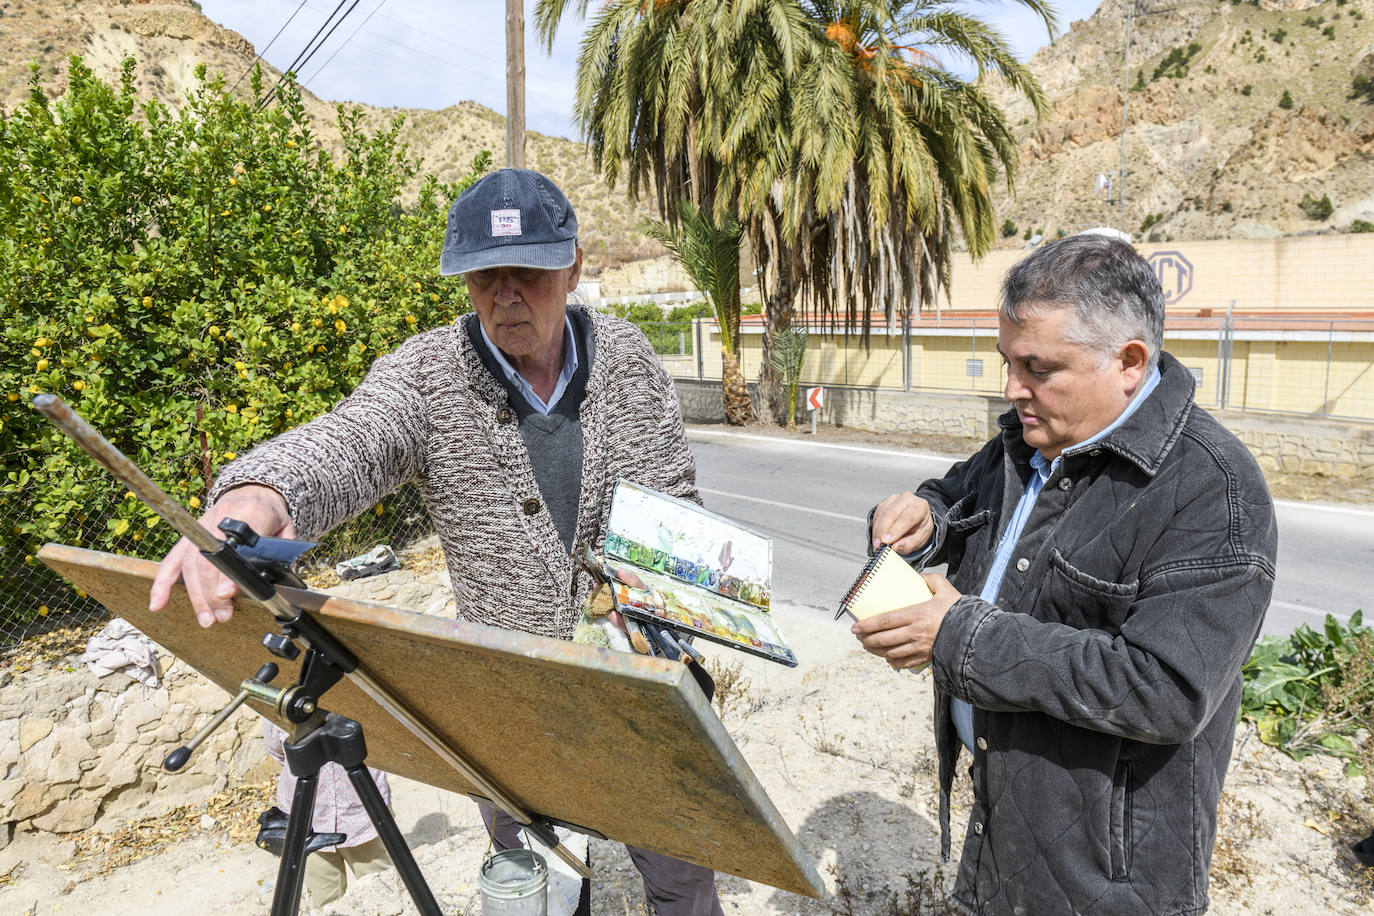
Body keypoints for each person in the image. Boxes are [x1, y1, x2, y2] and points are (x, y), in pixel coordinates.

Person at [149, 167, 723, 916]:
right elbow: (352, 438)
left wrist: (659, 612)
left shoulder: (630, 358)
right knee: (538, 884)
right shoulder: (429, 375)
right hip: (511, 702)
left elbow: (676, 506)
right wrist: (260, 493)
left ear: (574, 266)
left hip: (643, 689)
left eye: (530, 272)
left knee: (682, 870)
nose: (506, 295)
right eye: (485, 276)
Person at [855, 234, 1277, 914]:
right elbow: (958, 494)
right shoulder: (1031, 440)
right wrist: (923, 516)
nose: (1012, 389)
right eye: (1007, 362)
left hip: (1108, 882)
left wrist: (961, 636)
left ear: (1130, 363)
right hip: (1004, 830)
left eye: (1038, 368)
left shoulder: (1213, 492)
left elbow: (1165, 688)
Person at [261, 721, 393, 909]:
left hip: (360, 815)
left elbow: (383, 744)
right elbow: (279, 752)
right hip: (309, 820)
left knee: (382, 888)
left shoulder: (360, 698)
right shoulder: (282, 705)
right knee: (327, 903)